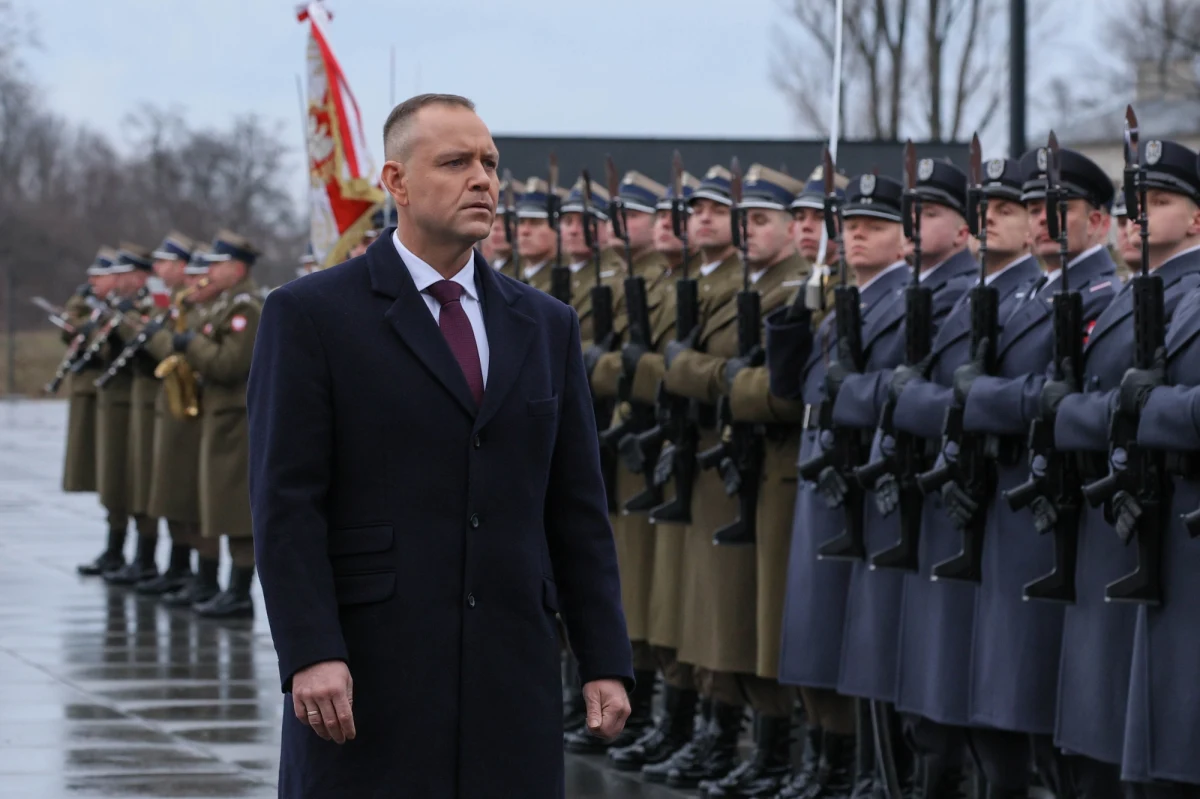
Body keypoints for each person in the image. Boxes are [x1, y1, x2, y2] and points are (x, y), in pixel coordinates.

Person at [247, 93, 632, 798]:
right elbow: (286, 504)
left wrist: (605, 657)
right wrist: (311, 651)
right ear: (395, 181)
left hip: (509, 679)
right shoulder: (311, 315)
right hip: (368, 678)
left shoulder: (543, 324)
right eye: (455, 162)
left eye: (489, 162)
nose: (483, 179)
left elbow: (575, 505)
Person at [958, 145, 1119, 796]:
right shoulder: (1032, 293)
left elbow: (1053, 399)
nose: (1043, 219)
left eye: (1061, 207)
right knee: (1015, 712)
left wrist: (978, 398)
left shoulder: (1101, 295)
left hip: (1059, 516)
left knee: (1060, 721)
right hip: (1011, 513)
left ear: (1100, 221)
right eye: (1033, 208)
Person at [887, 157, 1041, 796]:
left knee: (996, 695)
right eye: (988, 209)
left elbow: (1017, 397)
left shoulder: (1040, 296)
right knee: (946, 680)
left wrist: (940, 401)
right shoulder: (977, 294)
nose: (993, 220)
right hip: (953, 498)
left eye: (1008, 209)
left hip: (1005, 503)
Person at [1050, 139, 1200, 796]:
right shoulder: (1125, 297)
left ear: (1196, 219)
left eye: (1159, 201)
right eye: (1134, 202)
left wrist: (1145, 409)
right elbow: (1080, 407)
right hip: (1121, 523)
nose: (1139, 215)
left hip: (1176, 531)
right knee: (1124, 747)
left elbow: (1129, 404)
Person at [830, 163, 979, 794]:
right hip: (884, 485)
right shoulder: (897, 292)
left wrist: (875, 395)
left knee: (938, 672)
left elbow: (933, 393)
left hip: (939, 493)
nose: (914, 226)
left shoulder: (953, 294)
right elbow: (819, 385)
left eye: (932, 214)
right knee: (886, 659)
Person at [771, 172, 914, 795]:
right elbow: (797, 387)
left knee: (864, 635)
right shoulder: (842, 296)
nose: (855, 237)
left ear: (903, 238)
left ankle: (872, 773)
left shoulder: (903, 298)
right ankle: (837, 766)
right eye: (849, 227)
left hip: (859, 482)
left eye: (873, 227)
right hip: (826, 474)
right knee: (823, 629)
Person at [688, 164, 810, 799]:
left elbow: (783, 393)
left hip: (773, 465)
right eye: (748, 220)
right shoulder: (753, 284)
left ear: (792, 230)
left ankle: (785, 752)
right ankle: (753, 746)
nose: (747, 230)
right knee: (730, 613)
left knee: (766, 620)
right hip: (736, 464)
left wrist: (711, 378)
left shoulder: (796, 287)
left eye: (762, 220)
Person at [642, 164, 749, 790]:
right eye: (694, 209)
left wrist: (668, 372)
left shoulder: (744, 283)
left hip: (727, 455)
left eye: (718, 209)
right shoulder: (689, 282)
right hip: (684, 454)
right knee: (682, 603)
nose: (700, 219)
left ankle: (729, 737)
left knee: (727, 609)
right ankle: (691, 725)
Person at [566, 170, 671, 756]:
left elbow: (634, 365)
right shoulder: (596, 283)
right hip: (623, 445)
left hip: (653, 447)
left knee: (689, 606)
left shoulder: (652, 283)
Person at [147, 230, 263, 619]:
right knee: (216, 505)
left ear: (237, 268)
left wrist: (188, 345)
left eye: (217, 265)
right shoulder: (225, 305)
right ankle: (217, 583)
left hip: (235, 419)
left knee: (235, 510)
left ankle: (239, 590)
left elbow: (229, 365)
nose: (210, 272)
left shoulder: (246, 308)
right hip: (218, 416)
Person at [134, 234, 207, 598]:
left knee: (188, 494)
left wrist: (155, 339)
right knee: (169, 491)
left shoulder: (202, 308)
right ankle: (178, 567)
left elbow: (194, 353)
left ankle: (192, 571)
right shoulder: (173, 304)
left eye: (165, 263)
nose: (158, 270)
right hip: (170, 407)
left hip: (195, 413)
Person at [94, 244, 156, 584]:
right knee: (120, 480)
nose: (117, 280)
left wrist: (134, 327)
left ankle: (148, 559)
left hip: (148, 403)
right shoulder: (123, 305)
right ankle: (118, 549)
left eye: (123, 274)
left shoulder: (151, 305)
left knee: (146, 485)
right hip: (130, 401)